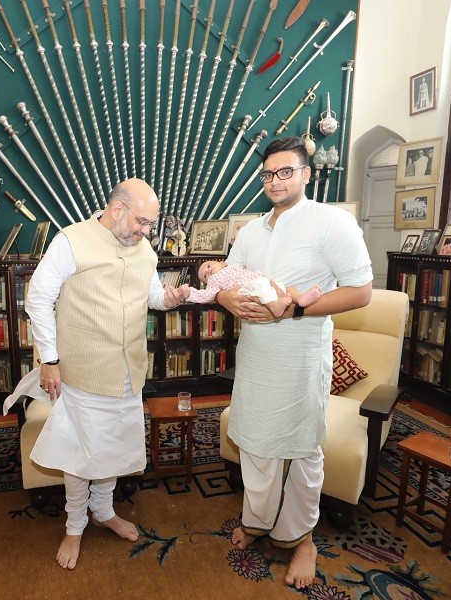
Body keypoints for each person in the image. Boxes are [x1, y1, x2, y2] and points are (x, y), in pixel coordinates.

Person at [216, 137, 373, 590]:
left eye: (285, 172)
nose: (275, 181)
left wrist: (296, 309)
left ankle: (301, 539)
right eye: (268, 174)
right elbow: (228, 279)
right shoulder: (250, 230)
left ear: (307, 173)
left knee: (303, 448)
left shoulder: (331, 223)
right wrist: (227, 298)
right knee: (255, 442)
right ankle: (257, 520)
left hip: (303, 357)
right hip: (256, 356)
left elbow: (360, 291)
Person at [25, 178, 186, 570]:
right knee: (83, 455)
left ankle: (104, 509)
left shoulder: (142, 246)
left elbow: (150, 296)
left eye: (151, 224)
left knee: (112, 447)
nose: (148, 231)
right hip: (84, 369)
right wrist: (49, 360)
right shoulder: (71, 240)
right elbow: (38, 298)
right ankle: (75, 525)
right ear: (118, 209)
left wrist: (171, 297)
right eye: (143, 222)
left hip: (129, 368)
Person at [178, 260, 322, 319]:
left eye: (208, 266)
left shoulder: (233, 266)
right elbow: (206, 295)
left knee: (285, 286)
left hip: (260, 285)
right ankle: (275, 307)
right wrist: (189, 293)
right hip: (247, 291)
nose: (208, 271)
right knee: (260, 286)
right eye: (204, 275)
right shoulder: (214, 281)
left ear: (222, 262)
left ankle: (301, 298)